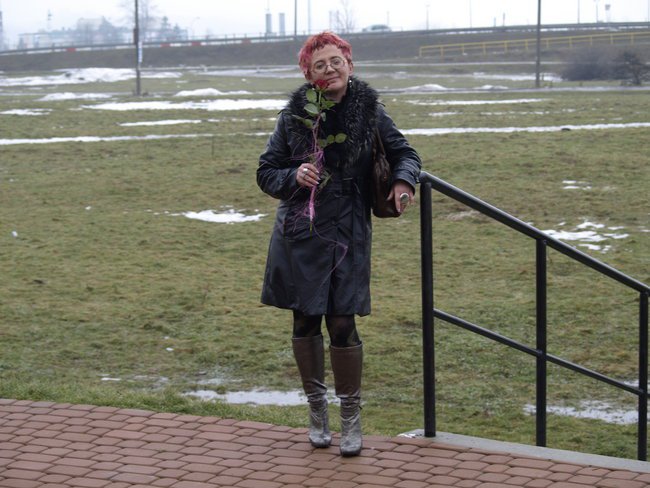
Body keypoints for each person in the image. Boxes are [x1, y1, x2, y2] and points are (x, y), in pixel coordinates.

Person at [257, 31, 421, 457]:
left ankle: (350, 415)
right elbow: (266, 171)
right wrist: (293, 176)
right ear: (308, 75)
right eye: (319, 65)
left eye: (336, 61)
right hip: (301, 232)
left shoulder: (370, 112)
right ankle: (317, 411)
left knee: (343, 323)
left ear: (350, 64)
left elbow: (405, 154)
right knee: (304, 321)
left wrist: (403, 183)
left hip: (349, 232)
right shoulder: (293, 118)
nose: (329, 69)